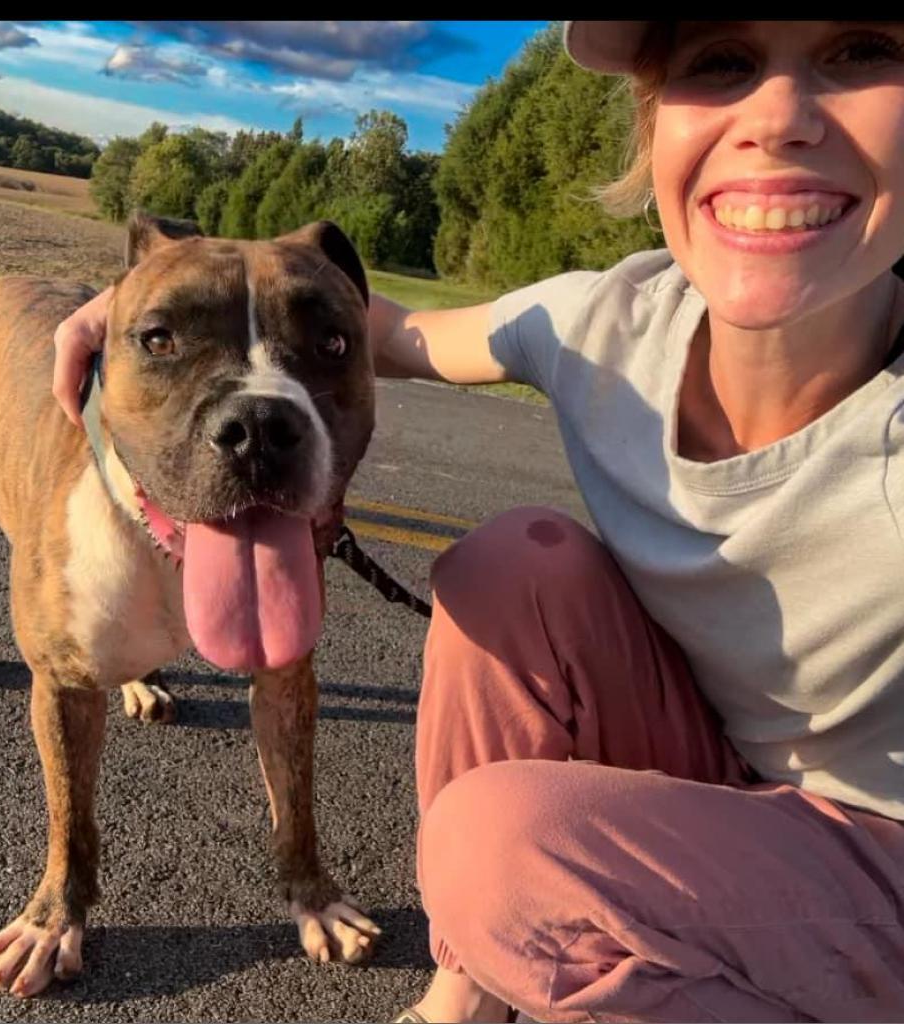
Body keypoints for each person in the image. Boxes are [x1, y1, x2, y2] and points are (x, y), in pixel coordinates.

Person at [53, 21, 904, 1022]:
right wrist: (131, 306)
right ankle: (468, 986)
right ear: (652, 128)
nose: (777, 117)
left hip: (879, 862)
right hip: (731, 778)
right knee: (507, 567)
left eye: (859, 49)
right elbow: (376, 323)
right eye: (721, 61)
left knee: (502, 851)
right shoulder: (606, 322)